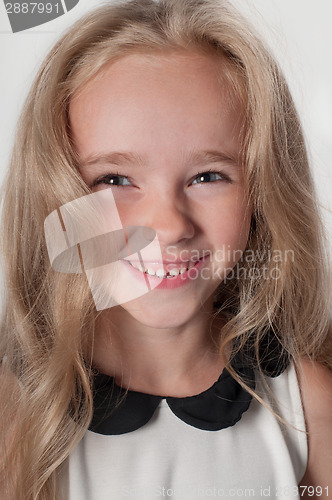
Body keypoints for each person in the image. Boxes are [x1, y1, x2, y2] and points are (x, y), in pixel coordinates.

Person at [0, 0, 331, 498]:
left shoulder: (309, 408)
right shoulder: (16, 415)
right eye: (114, 179)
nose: (170, 226)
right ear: (56, 195)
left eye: (208, 176)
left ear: (264, 192)